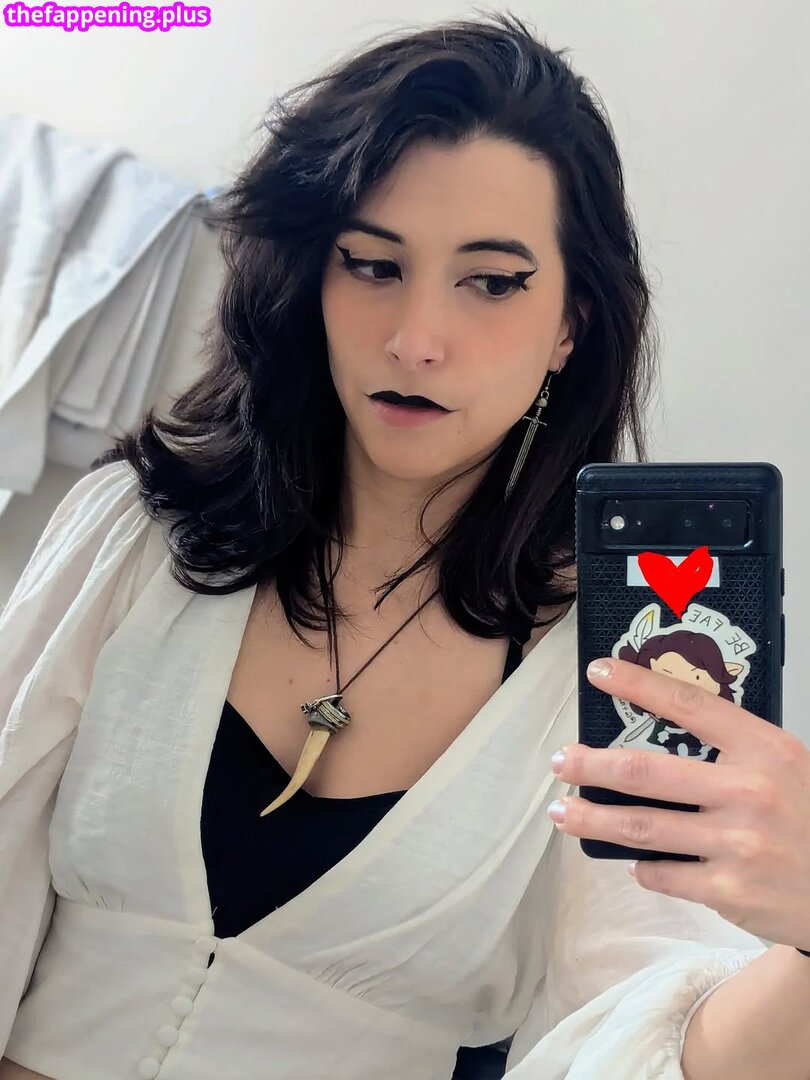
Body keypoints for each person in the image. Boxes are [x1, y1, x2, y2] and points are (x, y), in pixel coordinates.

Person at [3, 12, 805, 1080]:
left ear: (572, 323)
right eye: (373, 264)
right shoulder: (134, 534)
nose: (414, 339)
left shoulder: (614, 672)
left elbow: (651, 1042)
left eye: (493, 281)